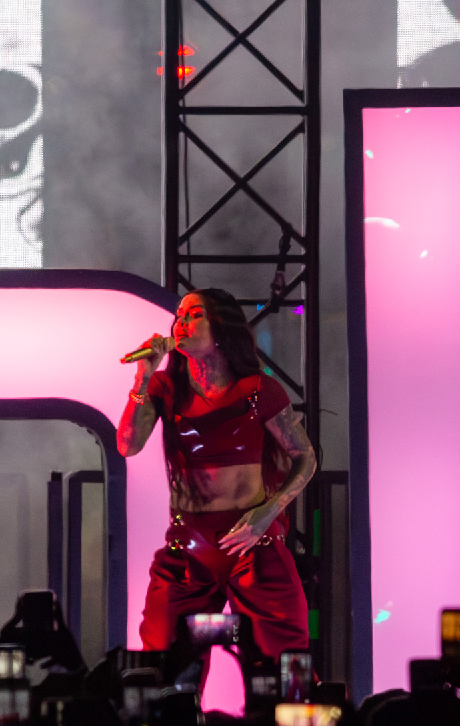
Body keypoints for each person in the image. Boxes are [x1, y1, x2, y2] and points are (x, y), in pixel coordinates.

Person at [118, 289, 318, 676]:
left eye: (193, 315)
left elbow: (305, 457)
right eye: (178, 316)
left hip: (252, 542)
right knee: (162, 666)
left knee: (283, 669)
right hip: (188, 548)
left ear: (222, 327)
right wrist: (142, 379)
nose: (180, 323)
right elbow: (127, 445)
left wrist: (269, 512)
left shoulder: (258, 390)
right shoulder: (165, 388)